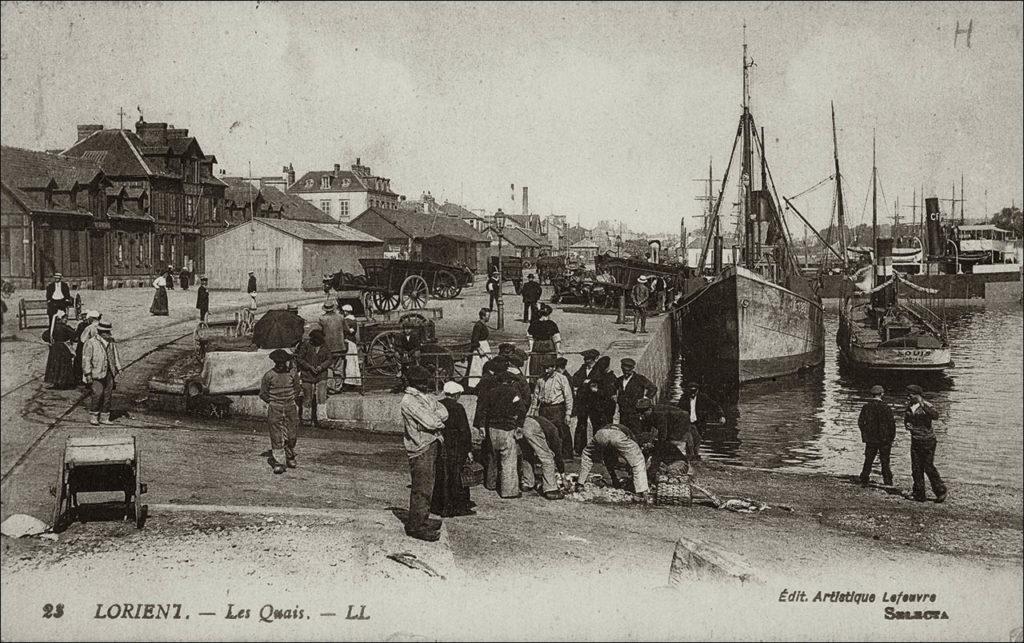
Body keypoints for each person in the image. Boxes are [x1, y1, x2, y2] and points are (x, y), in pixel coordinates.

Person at [401, 366, 449, 541]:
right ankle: (416, 526)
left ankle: (422, 518)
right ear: (417, 383)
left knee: (429, 485)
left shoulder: (424, 397)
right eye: (424, 381)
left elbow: (444, 412)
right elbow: (431, 422)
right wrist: (435, 420)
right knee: (421, 488)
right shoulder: (409, 401)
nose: (428, 384)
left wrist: (434, 419)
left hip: (431, 443)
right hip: (420, 447)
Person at [474, 369, 528, 498]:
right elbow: (522, 409)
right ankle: (509, 491)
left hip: (492, 429)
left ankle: (491, 484)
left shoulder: (490, 393)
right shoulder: (513, 393)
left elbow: (482, 410)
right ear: (510, 381)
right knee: (508, 459)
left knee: (492, 456)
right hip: (507, 429)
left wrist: (482, 427)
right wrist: (519, 425)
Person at [432, 382, 475, 517]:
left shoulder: (437, 404)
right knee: (456, 476)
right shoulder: (458, 408)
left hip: (440, 442)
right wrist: (468, 449)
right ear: (456, 394)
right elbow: (464, 430)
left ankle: (439, 505)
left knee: (441, 475)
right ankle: (456, 506)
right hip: (456, 445)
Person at [576, 422, 651, 498]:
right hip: (617, 436)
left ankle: (580, 483)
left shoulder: (615, 429)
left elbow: (607, 460)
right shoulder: (631, 436)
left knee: (587, 453)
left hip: (601, 434)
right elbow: (631, 458)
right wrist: (631, 472)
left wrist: (614, 479)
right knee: (638, 460)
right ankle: (641, 492)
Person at [258, 349, 302, 474]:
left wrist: (290, 400)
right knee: (276, 435)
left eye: (283, 362)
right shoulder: (269, 375)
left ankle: (289, 455)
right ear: (274, 362)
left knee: (292, 434)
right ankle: (279, 462)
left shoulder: (292, 374)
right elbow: (263, 393)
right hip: (275, 407)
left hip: (290, 406)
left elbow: (297, 390)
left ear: (287, 362)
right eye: (278, 362)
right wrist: (273, 402)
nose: (281, 364)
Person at [904, 384, 947, 503]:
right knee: (916, 468)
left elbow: (935, 416)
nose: (908, 397)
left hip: (928, 440)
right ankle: (919, 493)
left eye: (910, 395)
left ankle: (940, 491)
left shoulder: (926, 405)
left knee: (928, 467)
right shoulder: (909, 407)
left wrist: (922, 404)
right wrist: (907, 425)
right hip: (916, 439)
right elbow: (906, 420)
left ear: (916, 395)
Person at [636, 398, 695, 478]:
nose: (641, 416)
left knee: (674, 442)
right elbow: (648, 431)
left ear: (650, 409)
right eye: (639, 413)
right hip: (671, 422)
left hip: (680, 421)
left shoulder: (659, 413)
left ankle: (684, 466)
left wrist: (659, 448)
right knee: (664, 444)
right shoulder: (648, 415)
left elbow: (663, 432)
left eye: (643, 413)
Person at [81, 321, 122, 425]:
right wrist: (88, 374)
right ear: (101, 332)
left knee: (108, 395)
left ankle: (105, 416)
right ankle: (94, 416)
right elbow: (86, 360)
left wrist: (118, 368)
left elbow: (115, 355)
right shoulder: (91, 343)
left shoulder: (111, 342)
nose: (109, 335)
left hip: (109, 372)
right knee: (97, 394)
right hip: (96, 373)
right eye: (107, 333)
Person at [534, 361, 574, 465]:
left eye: (549, 368)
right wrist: (533, 409)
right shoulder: (540, 379)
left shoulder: (561, 378)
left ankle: (566, 455)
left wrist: (568, 413)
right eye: (544, 368)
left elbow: (568, 396)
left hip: (557, 408)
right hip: (544, 408)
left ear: (554, 367)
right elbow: (536, 395)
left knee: (562, 431)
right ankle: (548, 455)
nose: (546, 371)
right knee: (545, 432)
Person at [676, 381, 725, 460]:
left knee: (697, 441)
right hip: (688, 424)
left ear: (697, 390)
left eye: (694, 391)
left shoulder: (703, 398)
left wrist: (721, 416)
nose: (692, 393)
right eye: (690, 391)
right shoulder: (683, 398)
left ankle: (695, 456)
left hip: (699, 424)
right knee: (690, 442)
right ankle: (691, 457)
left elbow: (714, 406)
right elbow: (678, 410)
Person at [858, 385, 896, 486]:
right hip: (884, 439)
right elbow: (891, 424)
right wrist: (891, 437)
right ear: (882, 394)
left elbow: (861, 422)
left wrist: (865, 434)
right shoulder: (886, 407)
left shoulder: (866, 407)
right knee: (885, 460)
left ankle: (864, 478)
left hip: (871, 439)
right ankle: (887, 481)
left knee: (869, 459)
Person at [293, 329, 331, 426]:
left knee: (321, 396)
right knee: (307, 397)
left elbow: (329, 359)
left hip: (321, 374)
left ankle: (322, 418)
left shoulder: (325, 346)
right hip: (307, 374)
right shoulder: (306, 345)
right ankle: (306, 418)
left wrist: (321, 367)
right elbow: (299, 359)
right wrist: (309, 367)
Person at [615, 358, 657, 433]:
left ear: (632, 369)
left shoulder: (639, 379)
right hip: (623, 412)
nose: (626, 373)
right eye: (624, 371)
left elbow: (653, 388)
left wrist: (645, 399)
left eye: (628, 371)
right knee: (624, 432)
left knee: (636, 432)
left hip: (635, 412)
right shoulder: (619, 380)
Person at [316, 301, 349, 393]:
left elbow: (318, 333)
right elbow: (346, 330)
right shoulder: (341, 317)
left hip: (328, 347)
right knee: (339, 367)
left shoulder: (322, 319)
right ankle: (338, 387)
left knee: (329, 367)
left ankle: (330, 387)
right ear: (333, 308)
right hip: (340, 347)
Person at [44, 310, 77, 389]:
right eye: (65, 318)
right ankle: (64, 383)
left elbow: (45, 336)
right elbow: (74, 335)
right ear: (60, 319)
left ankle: (56, 382)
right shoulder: (64, 327)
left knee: (55, 365)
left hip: (55, 348)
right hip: (63, 348)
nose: (66, 320)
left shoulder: (53, 327)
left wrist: (51, 340)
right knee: (64, 365)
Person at [527, 304, 561, 379]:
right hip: (548, 345)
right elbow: (556, 338)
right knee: (549, 364)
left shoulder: (534, 324)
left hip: (537, 346)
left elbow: (530, 338)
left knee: (536, 365)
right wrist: (558, 350)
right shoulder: (551, 324)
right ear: (548, 314)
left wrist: (530, 348)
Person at [72, 310, 101, 385]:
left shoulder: (87, 327)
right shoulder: (99, 325)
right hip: (97, 346)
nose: (85, 318)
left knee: (84, 361)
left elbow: (82, 339)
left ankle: (83, 379)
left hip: (86, 346)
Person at [341, 326, 362, 390]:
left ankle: (350, 382)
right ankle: (351, 381)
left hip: (349, 344)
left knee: (350, 364)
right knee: (351, 363)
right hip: (350, 344)